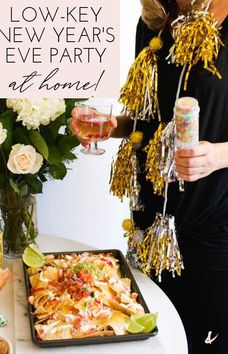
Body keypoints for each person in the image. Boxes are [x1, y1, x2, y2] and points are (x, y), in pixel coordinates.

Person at [71, 1, 228, 353]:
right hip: (151, 225)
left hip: (214, 226)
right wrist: (113, 127)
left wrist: (219, 155)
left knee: (210, 342)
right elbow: (150, 120)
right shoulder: (154, 23)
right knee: (155, 341)